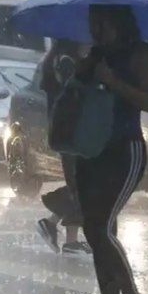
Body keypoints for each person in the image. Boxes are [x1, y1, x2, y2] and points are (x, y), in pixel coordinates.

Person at [73, 5, 148, 294]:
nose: (96, 29)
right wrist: (84, 69)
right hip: (91, 150)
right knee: (97, 232)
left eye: (102, 22)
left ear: (119, 22)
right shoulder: (97, 54)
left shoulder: (141, 55)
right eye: (93, 22)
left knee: (100, 227)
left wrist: (113, 82)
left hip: (125, 150)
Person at [36, 39, 90, 255]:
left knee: (78, 184)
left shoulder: (54, 61)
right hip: (73, 134)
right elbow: (75, 96)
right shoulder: (67, 63)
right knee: (82, 186)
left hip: (65, 133)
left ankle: (69, 239)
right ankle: (51, 223)